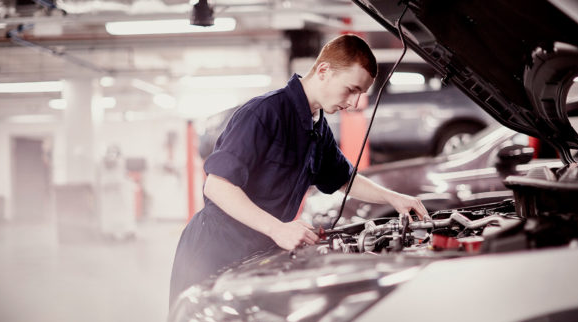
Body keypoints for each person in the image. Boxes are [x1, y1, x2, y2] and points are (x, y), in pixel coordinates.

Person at [169, 34, 428, 307]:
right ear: (324, 71)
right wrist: (278, 229)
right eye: (351, 89)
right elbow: (217, 185)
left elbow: (344, 179)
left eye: (360, 94)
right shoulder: (264, 113)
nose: (354, 103)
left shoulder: (318, 127)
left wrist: (394, 198)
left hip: (260, 251)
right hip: (214, 251)